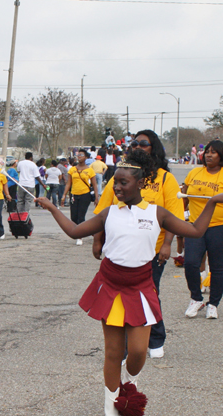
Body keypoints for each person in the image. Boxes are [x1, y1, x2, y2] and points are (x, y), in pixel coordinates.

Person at [35, 149, 223, 416]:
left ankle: (129, 382)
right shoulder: (109, 213)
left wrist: (213, 203)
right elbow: (76, 231)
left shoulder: (157, 213)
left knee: (139, 352)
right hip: (112, 285)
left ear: (139, 184)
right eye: (115, 182)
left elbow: (194, 230)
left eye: (123, 182)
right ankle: (110, 413)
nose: (117, 187)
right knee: (114, 352)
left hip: (141, 286)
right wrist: (53, 209)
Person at [93, 130, 181, 358]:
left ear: (154, 148)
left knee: (150, 294)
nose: (139, 146)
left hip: (152, 250)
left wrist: (167, 244)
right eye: (135, 143)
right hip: (120, 252)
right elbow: (103, 209)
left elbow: (173, 214)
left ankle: (155, 339)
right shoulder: (120, 175)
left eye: (145, 143)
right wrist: (97, 239)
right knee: (119, 298)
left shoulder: (164, 178)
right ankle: (122, 347)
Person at [181, 140, 223, 319]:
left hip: (221, 226)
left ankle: (213, 303)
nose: (208, 155)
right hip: (195, 226)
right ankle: (196, 298)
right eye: (206, 151)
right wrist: (180, 217)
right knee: (191, 263)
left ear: (221, 155)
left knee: (217, 267)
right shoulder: (194, 173)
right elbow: (184, 197)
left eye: (213, 152)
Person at [62, 149, 98, 246]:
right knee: (74, 217)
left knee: (81, 216)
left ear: (86, 157)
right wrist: (64, 194)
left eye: (81, 155)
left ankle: (79, 237)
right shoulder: (72, 169)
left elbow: (94, 185)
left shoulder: (90, 170)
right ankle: (90, 231)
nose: (79, 157)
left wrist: (96, 197)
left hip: (85, 195)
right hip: (74, 194)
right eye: (78, 155)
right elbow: (69, 183)